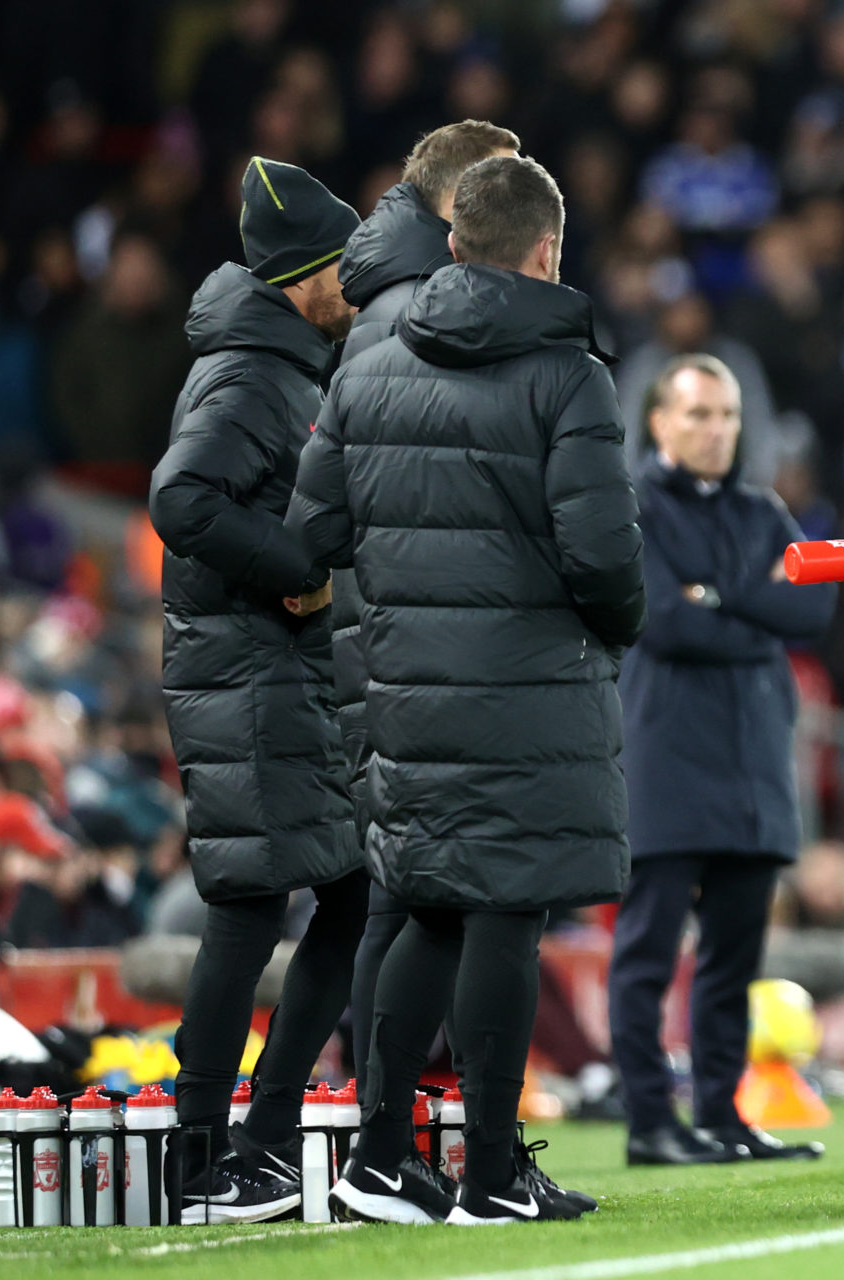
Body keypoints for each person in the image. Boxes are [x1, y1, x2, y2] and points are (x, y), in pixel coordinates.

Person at [290, 154, 645, 1226]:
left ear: (453, 244)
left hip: (405, 680)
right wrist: (611, 631)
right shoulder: (567, 370)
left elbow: (315, 535)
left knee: (432, 910)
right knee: (502, 914)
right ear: (548, 253)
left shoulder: (366, 361)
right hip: (529, 680)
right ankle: (490, 1170)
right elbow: (605, 557)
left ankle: (382, 1153)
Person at [147, 156, 367, 1224]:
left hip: (262, 669)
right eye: (344, 267)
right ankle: (227, 1148)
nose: (356, 284)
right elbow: (179, 499)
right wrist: (300, 569)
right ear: (302, 274)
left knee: (320, 892)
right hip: (243, 665)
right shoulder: (249, 371)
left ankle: (245, 1139)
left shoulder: (281, 360)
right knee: (266, 901)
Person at [330, 117, 520, 1101]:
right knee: (424, 905)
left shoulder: (384, 302)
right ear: (459, 203)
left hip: (401, 627)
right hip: (429, 635)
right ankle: (392, 1135)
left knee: (407, 899)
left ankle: (393, 1134)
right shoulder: (423, 309)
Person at [609, 353, 836, 1166]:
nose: (716, 430)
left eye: (728, 416)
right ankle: (649, 1123)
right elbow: (667, 622)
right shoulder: (631, 505)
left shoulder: (761, 508)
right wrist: (754, 600)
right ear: (660, 421)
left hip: (752, 762)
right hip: (668, 756)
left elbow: (815, 603)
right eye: (699, 414)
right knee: (647, 951)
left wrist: (719, 596)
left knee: (733, 958)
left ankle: (720, 1114)